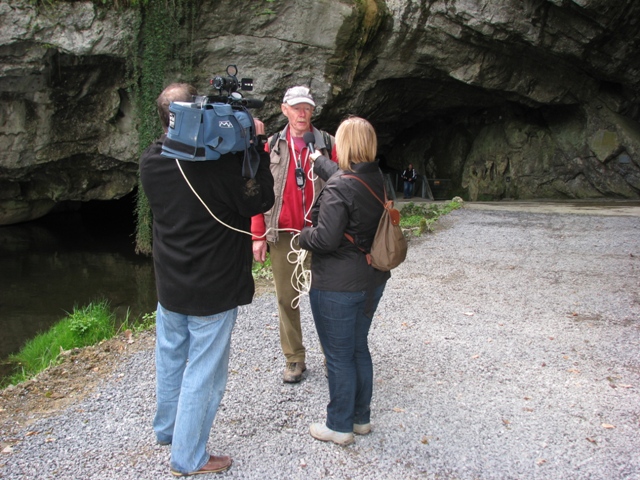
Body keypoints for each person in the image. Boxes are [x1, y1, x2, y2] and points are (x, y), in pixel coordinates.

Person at [139, 83, 275, 476]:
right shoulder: (221, 166)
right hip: (212, 289)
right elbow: (259, 198)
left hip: (170, 284)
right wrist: (257, 144)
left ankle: (167, 430)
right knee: (204, 372)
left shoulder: (152, 161)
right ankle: (189, 457)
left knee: (170, 358)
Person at [299, 116, 390, 445]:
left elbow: (325, 239)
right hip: (372, 280)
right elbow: (342, 177)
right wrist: (317, 161)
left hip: (338, 285)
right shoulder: (377, 179)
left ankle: (339, 426)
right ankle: (360, 419)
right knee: (357, 348)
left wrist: (301, 236)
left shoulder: (340, 186)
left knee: (338, 356)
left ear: (345, 145)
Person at [251, 85, 335, 383]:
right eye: (296, 107)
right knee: (287, 300)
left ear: (313, 111)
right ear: (284, 109)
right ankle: (294, 358)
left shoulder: (327, 143)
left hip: (323, 233)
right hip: (284, 234)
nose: (302, 113)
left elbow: (346, 186)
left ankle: (333, 355)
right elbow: (257, 192)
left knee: (327, 297)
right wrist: (257, 235)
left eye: (307, 108)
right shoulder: (271, 145)